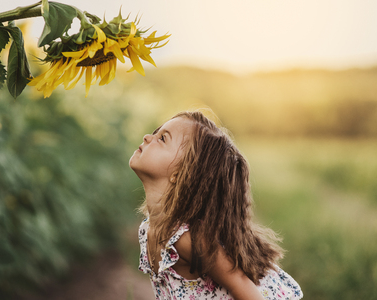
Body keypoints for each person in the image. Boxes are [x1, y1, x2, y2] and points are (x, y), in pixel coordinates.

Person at [129, 111, 303, 300]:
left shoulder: (186, 239)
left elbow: (243, 286)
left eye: (162, 138)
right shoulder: (148, 229)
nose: (147, 137)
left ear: (181, 173)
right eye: (156, 132)